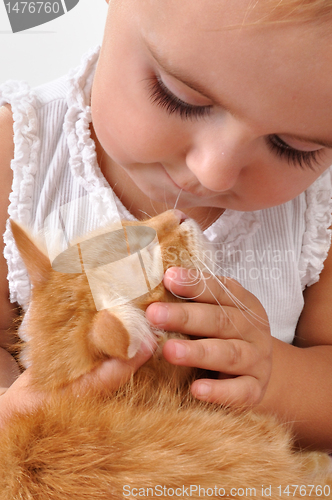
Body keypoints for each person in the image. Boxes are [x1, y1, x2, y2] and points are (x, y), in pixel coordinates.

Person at [0, 0, 332, 451]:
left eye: (293, 148)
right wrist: (14, 411)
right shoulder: (21, 159)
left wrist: (272, 377)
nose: (213, 172)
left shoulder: (317, 211)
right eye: (179, 97)